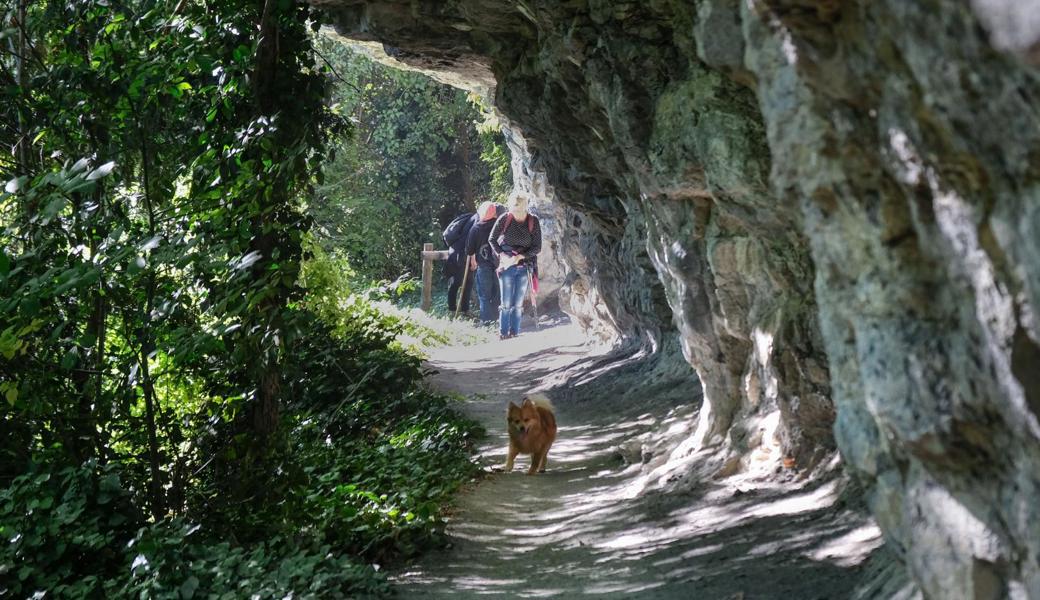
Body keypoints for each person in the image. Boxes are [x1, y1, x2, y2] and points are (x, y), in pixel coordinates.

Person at [489, 191, 541, 339]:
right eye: (514, 208)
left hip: (524, 266)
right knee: (506, 302)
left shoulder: (533, 221)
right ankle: (503, 333)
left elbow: (537, 247)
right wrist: (502, 255)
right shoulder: (505, 218)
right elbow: (492, 239)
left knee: (518, 303)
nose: (516, 212)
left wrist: (521, 256)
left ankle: (515, 332)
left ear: (525, 206)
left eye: (518, 209)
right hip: (506, 266)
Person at [465, 200, 507, 324]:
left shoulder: (475, 228)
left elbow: (469, 249)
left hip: (483, 265)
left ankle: (487, 321)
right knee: (498, 293)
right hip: (499, 264)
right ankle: (498, 319)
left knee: (484, 295)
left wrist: (473, 259)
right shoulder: (500, 226)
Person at [442, 210, 477, 314]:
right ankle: (452, 309)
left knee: (468, 282)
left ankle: (465, 310)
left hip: (459, 252)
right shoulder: (476, 220)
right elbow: (471, 241)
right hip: (459, 253)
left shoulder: (473, 218)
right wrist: (473, 259)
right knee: (456, 282)